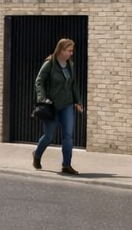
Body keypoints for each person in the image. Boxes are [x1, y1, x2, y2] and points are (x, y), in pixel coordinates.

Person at [32, 38, 85, 175]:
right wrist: (42, 98)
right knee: (49, 135)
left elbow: (73, 84)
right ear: (61, 50)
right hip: (52, 105)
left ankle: (66, 165)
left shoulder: (70, 65)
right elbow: (39, 81)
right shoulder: (49, 64)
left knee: (68, 135)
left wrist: (77, 101)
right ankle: (37, 155)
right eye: (69, 50)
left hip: (67, 104)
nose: (71, 53)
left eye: (72, 50)